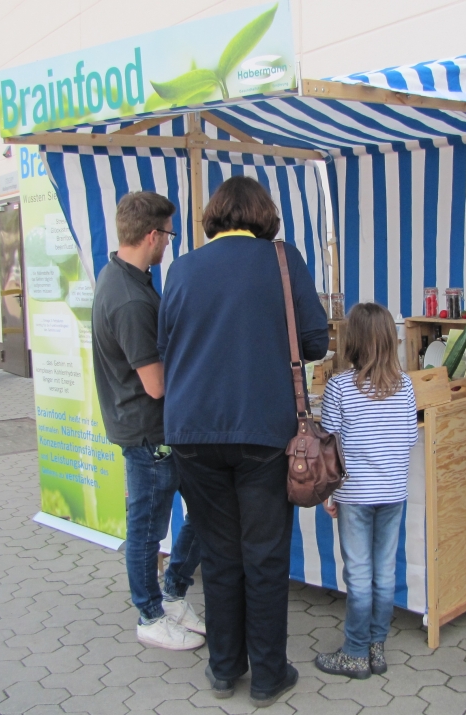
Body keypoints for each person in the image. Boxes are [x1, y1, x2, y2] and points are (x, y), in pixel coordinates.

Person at [157, 176, 328, 707]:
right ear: (263, 214)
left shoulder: (181, 267)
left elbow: (168, 343)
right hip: (261, 430)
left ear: (215, 217)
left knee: (220, 552)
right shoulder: (282, 259)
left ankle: (224, 668)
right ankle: (270, 675)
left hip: (191, 431)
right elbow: (317, 340)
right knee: (265, 554)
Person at [92, 191, 205, 651]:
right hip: (148, 433)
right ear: (152, 235)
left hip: (160, 429)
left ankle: (174, 591)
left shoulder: (127, 276)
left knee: (203, 511)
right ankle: (150, 613)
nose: (168, 246)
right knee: (146, 527)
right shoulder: (129, 300)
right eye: (168, 235)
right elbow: (156, 384)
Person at [315, 303, 419, 679]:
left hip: (354, 493)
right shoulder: (406, 384)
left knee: (358, 574)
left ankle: (355, 653)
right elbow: (409, 437)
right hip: (393, 491)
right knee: (385, 571)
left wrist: (329, 494)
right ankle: (377, 646)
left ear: (351, 341)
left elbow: (331, 444)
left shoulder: (339, 386)